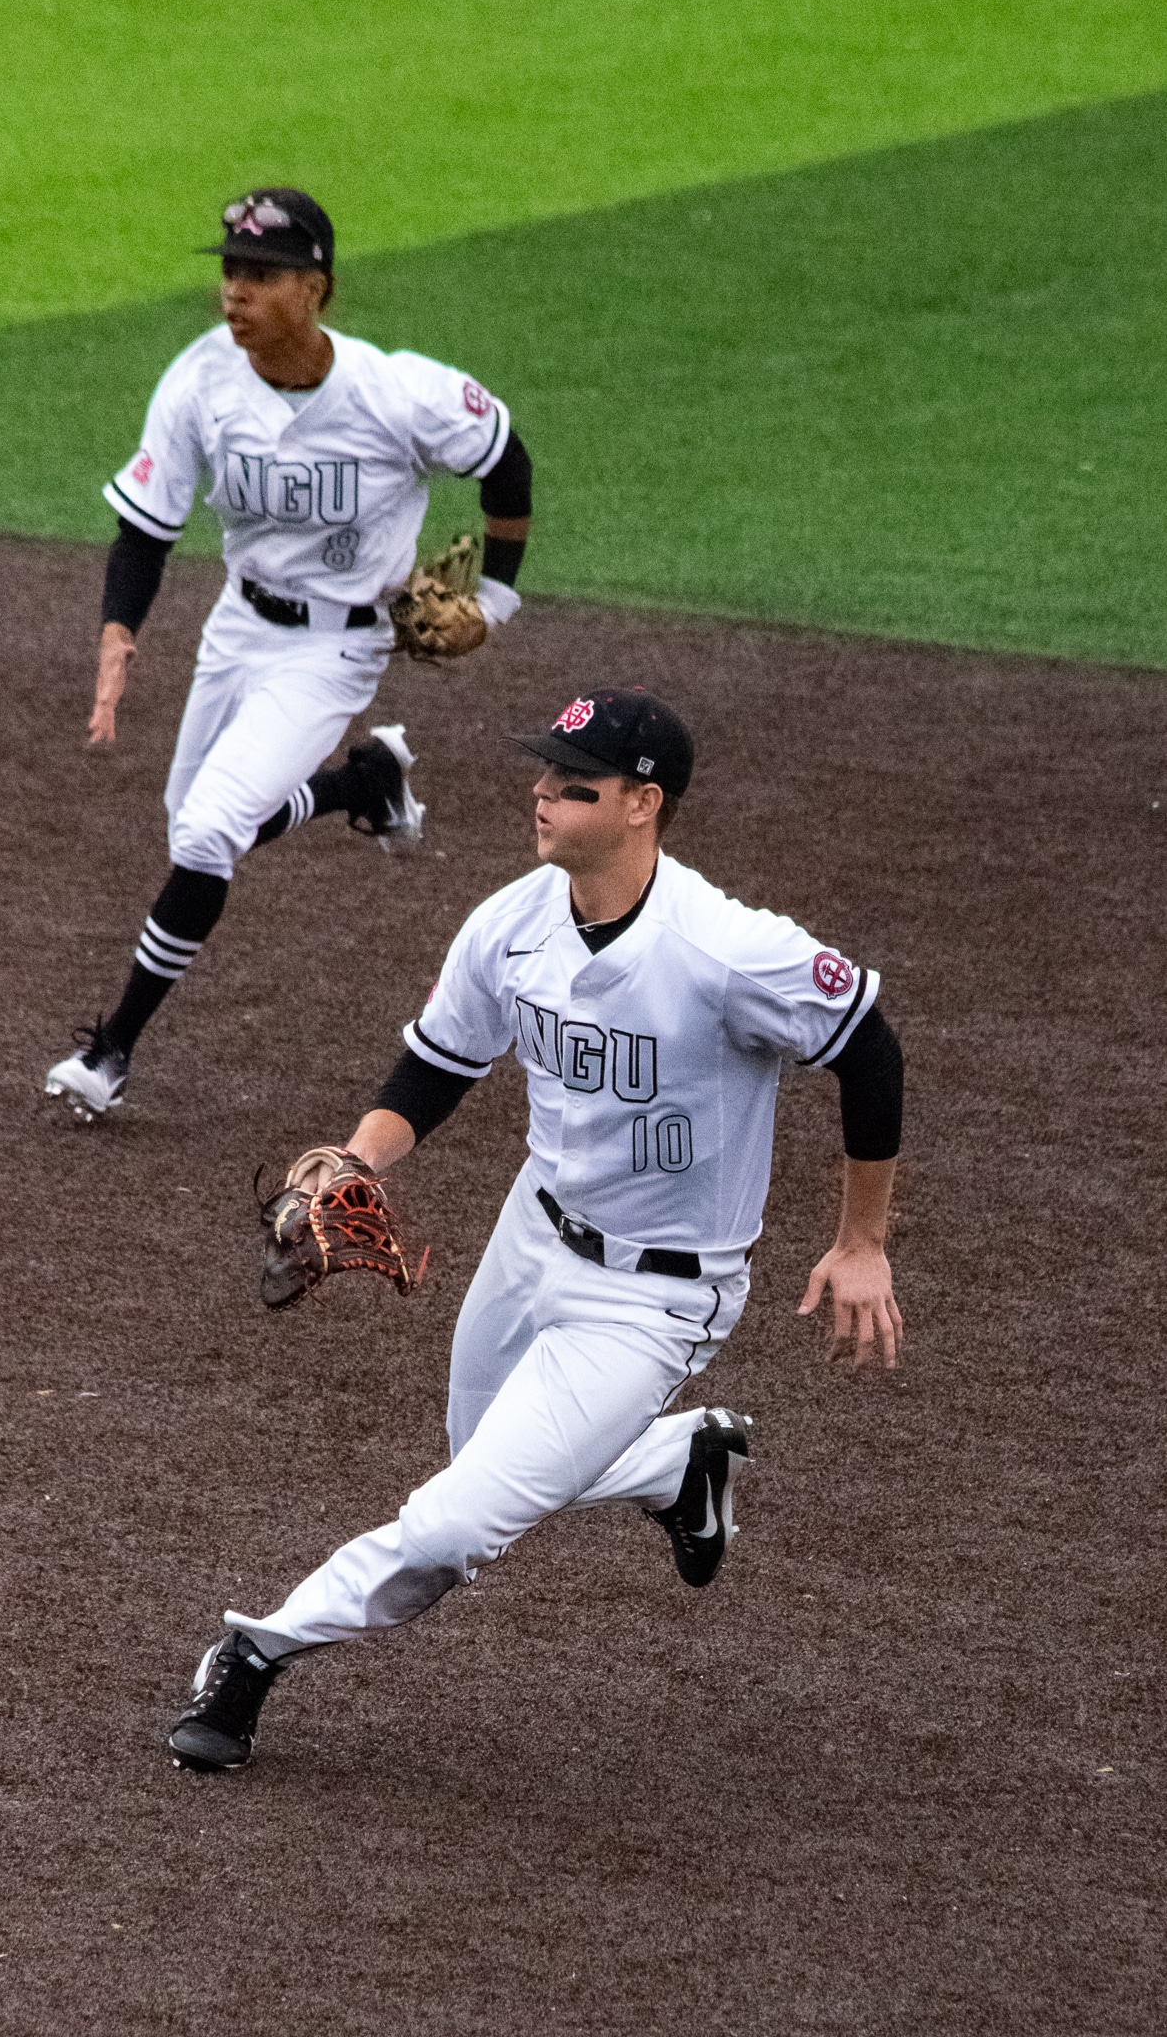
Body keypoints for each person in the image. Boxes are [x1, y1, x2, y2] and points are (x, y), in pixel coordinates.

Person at [166, 686, 906, 1773]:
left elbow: (869, 1045)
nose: (542, 792)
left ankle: (255, 1651)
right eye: (546, 772)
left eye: (575, 782)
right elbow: (436, 1062)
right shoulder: (512, 924)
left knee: (457, 1526)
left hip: (654, 1297)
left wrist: (862, 1240)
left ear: (643, 803)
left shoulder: (729, 949)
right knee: (484, 1461)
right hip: (534, 1234)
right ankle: (680, 1464)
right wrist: (359, 1156)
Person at [44, 187, 533, 1120]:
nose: (235, 293)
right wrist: (119, 637)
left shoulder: (399, 394)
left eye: (260, 275)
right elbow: (144, 528)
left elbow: (504, 458)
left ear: (317, 289)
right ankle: (363, 784)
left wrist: (497, 600)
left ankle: (111, 1052)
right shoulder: (200, 380)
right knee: (194, 825)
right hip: (238, 627)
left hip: (336, 648)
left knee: (206, 835)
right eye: (230, 272)